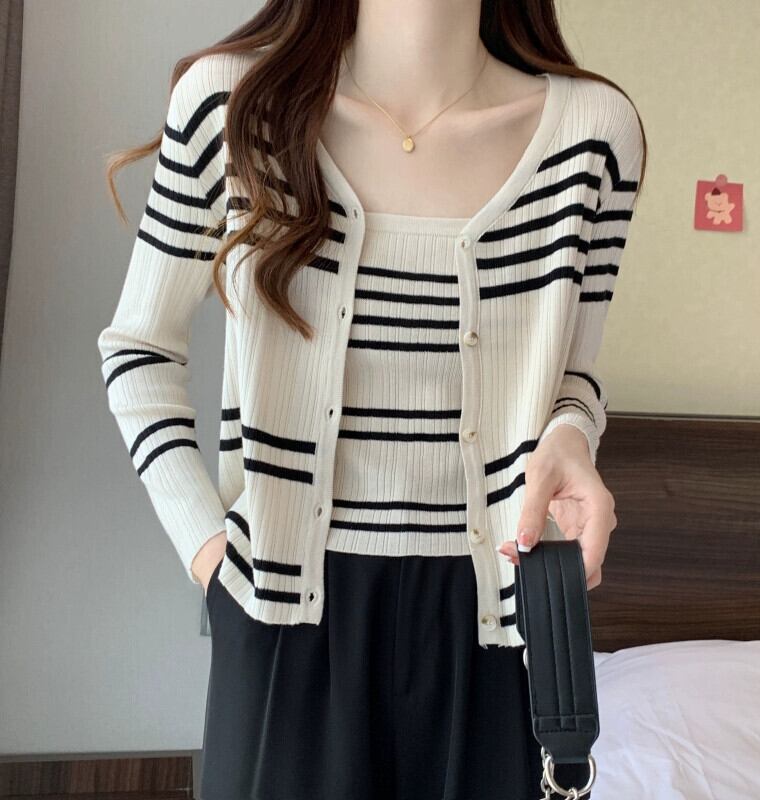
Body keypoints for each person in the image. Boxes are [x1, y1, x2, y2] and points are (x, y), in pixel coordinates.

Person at [98, 1, 646, 798]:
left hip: (496, 618)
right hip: (280, 613)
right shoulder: (230, 106)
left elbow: (573, 374)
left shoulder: (594, 135)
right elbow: (139, 351)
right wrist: (212, 557)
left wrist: (571, 435)